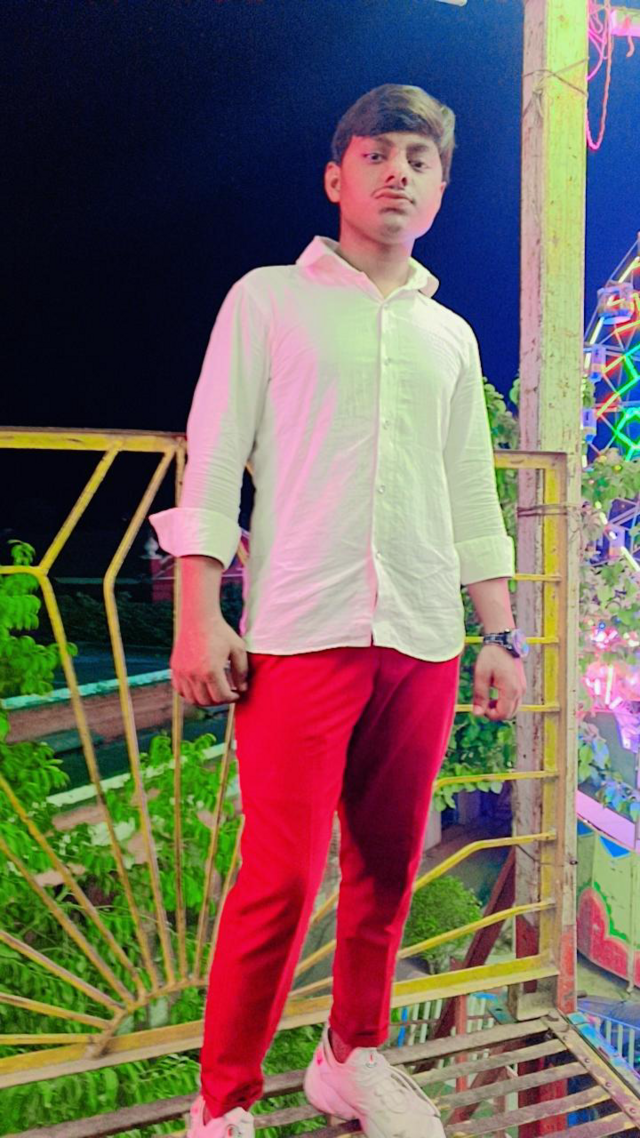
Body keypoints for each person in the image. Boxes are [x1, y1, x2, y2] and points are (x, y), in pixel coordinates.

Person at [149, 82, 528, 1138]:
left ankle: (349, 1056)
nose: (398, 171)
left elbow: (470, 491)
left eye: (420, 159)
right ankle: (222, 1102)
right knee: (277, 878)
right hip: (299, 631)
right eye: (377, 153)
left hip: (423, 637)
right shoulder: (267, 300)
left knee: (389, 865)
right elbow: (213, 459)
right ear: (336, 176)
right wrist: (197, 614)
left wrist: (498, 632)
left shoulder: (450, 336)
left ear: (440, 191)